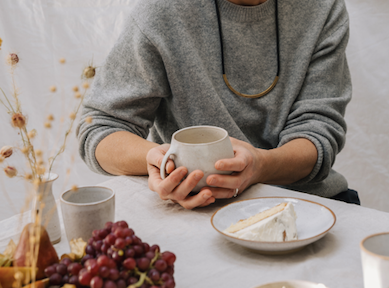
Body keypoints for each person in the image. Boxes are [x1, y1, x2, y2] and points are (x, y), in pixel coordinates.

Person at [77, 0, 360, 209]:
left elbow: (319, 133)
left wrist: (261, 166)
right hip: (198, 208)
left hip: (308, 202)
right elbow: (99, 127)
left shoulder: (322, 8)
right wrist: (157, 160)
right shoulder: (161, 12)